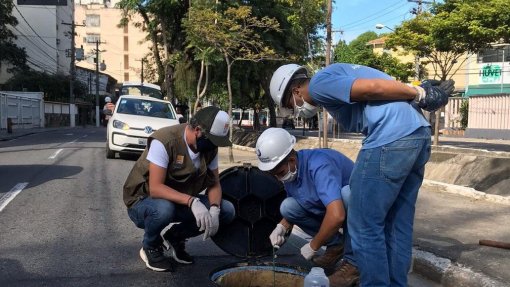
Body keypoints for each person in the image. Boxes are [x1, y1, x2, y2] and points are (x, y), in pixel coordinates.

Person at [269, 63, 454, 286]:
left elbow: (373, 88)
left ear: (296, 91)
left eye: (290, 104)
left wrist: (418, 92)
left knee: (364, 225)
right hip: (416, 135)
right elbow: (381, 87)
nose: (295, 110)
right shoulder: (335, 75)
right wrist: (416, 90)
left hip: (389, 140)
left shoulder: (318, 84)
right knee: (397, 224)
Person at [123, 106, 236, 272]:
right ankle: (150, 246)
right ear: (198, 130)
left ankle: (175, 238)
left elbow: (214, 183)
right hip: (144, 202)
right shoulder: (165, 141)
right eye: (212, 141)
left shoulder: (210, 148)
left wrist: (214, 210)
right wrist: (192, 201)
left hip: (180, 201)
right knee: (164, 209)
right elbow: (156, 188)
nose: (214, 146)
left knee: (227, 210)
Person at [256, 128, 358, 286]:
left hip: (358, 210)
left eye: (280, 172)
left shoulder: (319, 165)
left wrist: (314, 245)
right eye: (274, 174)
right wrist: (281, 227)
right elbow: (297, 203)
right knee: (288, 207)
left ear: (291, 160)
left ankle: (353, 265)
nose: (279, 177)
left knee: (347, 194)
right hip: (331, 207)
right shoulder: (293, 172)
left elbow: (337, 215)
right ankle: (336, 245)